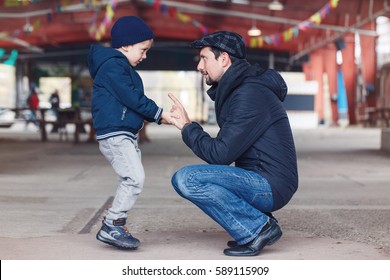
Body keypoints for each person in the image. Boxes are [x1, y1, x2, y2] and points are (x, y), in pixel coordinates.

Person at [169, 31, 298, 257]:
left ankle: (258, 228)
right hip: (262, 178)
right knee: (194, 178)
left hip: (270, 184)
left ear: (224, 59)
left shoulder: (249, 93)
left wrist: (188, 127)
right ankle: (259, 220)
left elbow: (220, 154)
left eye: (204, 58)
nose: (200, 66)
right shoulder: (241, 89)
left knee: (187, 179)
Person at [87, 15, 171, 250]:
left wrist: (157, 117)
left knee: (131, 178)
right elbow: (132, 98)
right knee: (134, 178)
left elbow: (132, 102)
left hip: (124, 133)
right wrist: (160, 114)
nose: (145, 56)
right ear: (125, 45)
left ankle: (115, 224)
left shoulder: (119, 66)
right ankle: (112, 224)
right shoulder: (113, 66)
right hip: (116, 134)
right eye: (143, 50)